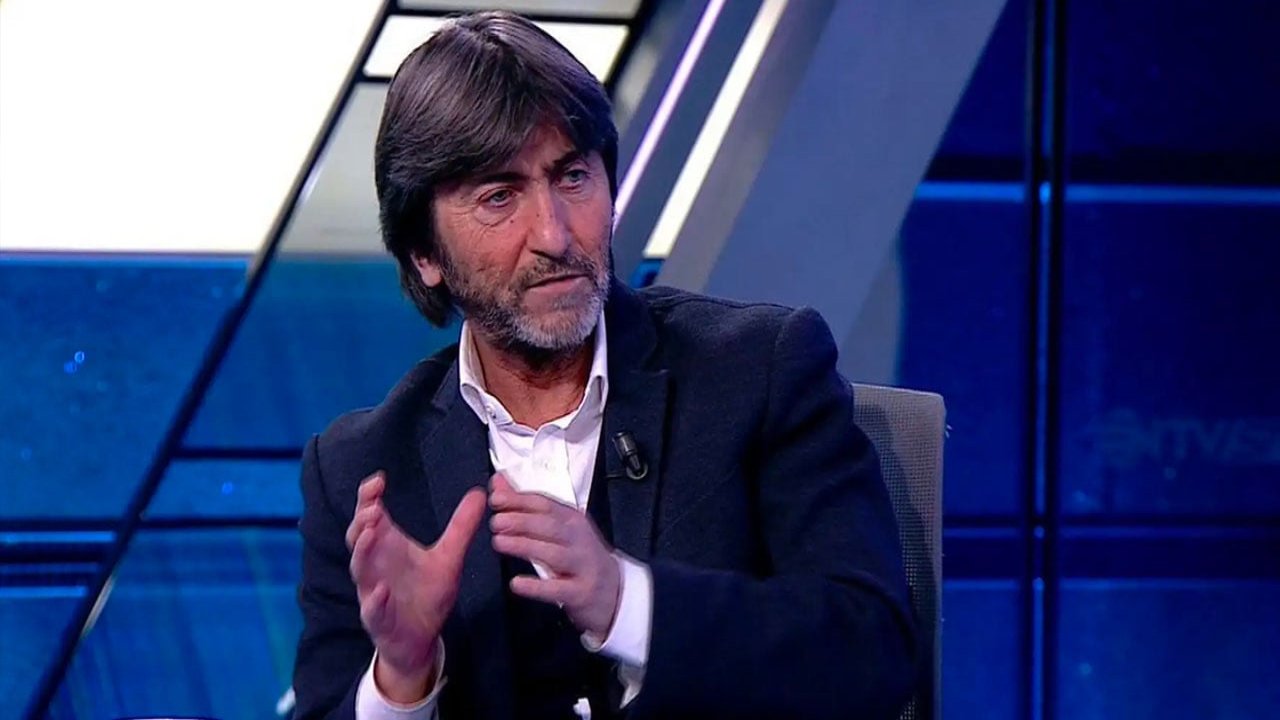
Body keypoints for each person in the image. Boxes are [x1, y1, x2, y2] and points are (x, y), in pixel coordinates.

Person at [292, 10, 917, 720]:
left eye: (572, 177)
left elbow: (872, 651)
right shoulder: (361, 472)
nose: (555, 234)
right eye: (499, 196)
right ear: (425, 254)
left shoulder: (759, 371)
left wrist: (627, 604)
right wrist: (402, 677)